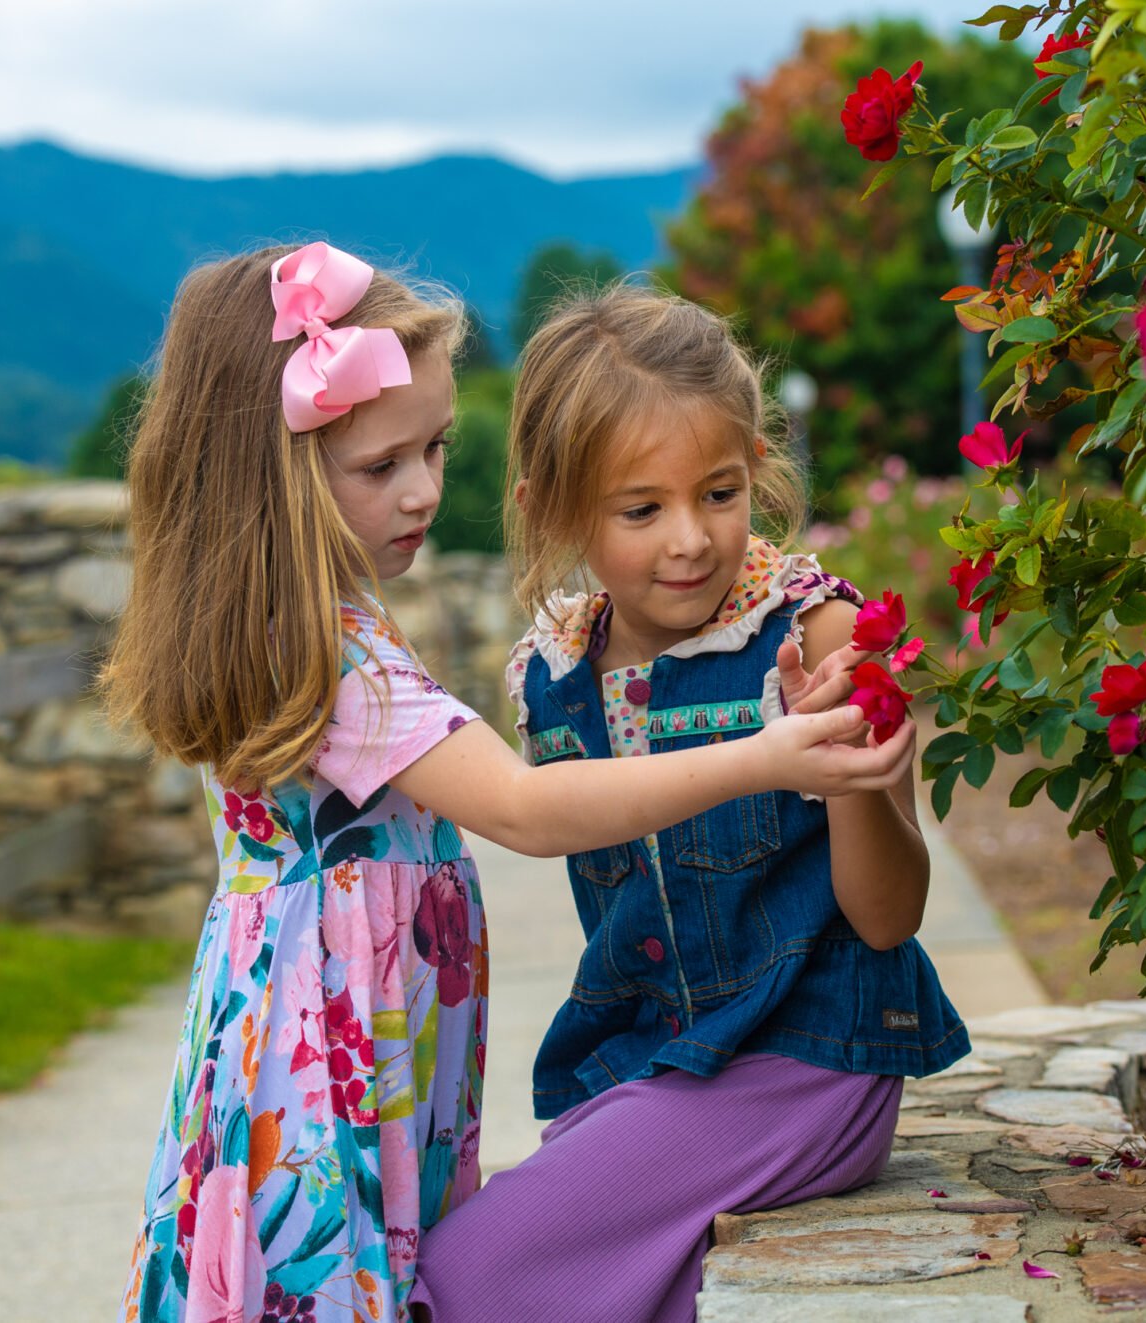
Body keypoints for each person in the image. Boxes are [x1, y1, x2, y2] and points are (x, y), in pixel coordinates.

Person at [103, 243, 915, 1323]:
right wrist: (768, 756)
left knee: (420, 1284)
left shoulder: (303, 633)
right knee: (401, 1291)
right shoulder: (332, 656)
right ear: (276, 477)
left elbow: (880, 912)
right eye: (382, 465)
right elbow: (527, 811)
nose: (425, 490)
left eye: (433, 450)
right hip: (340, 1057)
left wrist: (833, 769)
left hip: (376, 1043)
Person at [411, 285, 968, 1323]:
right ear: (554, 512)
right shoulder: (551, 676)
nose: (690, 541)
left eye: (718, 493)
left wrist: (849, 776)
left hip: (807, 1066)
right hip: (645, 1073)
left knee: (464, 1278)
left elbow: (890, 916)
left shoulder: (816, 640)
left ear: (757, 465)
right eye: (640, 508)